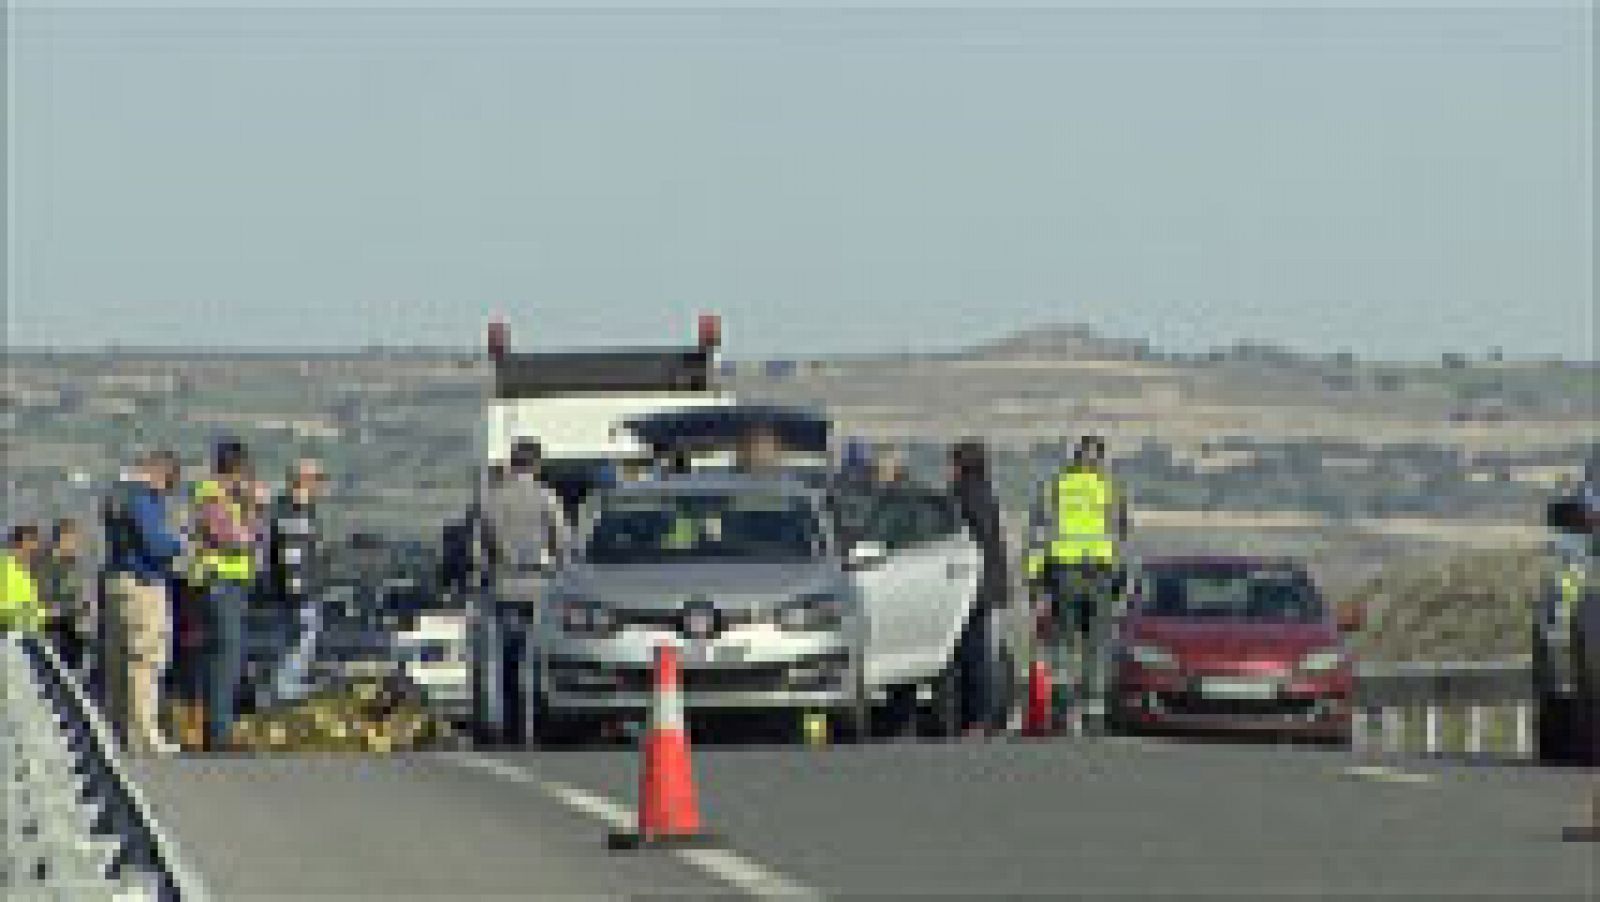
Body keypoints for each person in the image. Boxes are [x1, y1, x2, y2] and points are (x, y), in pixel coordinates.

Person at [1024, 434, 1130, 732]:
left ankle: (1061, 706)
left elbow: (1038, 535)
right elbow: (1121, 537)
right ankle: (1093, 712)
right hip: (1100, 574)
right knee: (1097, 643)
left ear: (1075, 457)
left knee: (1064, 641)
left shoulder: (1055, 487)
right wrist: (1121, 579)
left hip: (1064, 573)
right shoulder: (1111, 489)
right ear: (1101, 458)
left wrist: (1034, 580)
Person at [102, 450, 186, 755]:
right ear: (161, 472)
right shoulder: (140, 497)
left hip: (116, 581)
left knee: (117, 660)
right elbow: (155, 542)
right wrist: (180, 542)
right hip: (142, 583)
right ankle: (144, 735)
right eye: (169, 484)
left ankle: (117, 732)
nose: (167, 492)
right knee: (145, 659)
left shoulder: (116, 494)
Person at [189, 439, 261, 751]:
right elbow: (234, 539)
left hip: (233, 582)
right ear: (236, 469)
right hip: (220, 582)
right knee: (225, 659)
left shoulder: (227, 497)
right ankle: (219, 734)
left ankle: (219, 727)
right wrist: (250, 509)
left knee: (228, 659)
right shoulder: (213, 495)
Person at [949, 439, 1010, 737]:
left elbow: (978, 541)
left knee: (973, 654)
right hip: (984, 584)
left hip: (971, 586)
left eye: (953, 464)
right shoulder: (984, 494)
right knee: (977, 652)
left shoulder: (967, 495)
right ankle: (977, 717)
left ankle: (977, 718)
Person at [259, 458, 327, 709]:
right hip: (298, 594)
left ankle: (286, 687)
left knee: (298, 642)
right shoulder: (292, 514)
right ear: (303, 481)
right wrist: (297, 594)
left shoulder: (302, 512)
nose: (322, 485)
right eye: (318, 479)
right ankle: (286, 690)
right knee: (297, 642)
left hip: (301, 592)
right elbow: (291, 556)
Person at [38, 518, 91, 672]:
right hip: (56, 630)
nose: (77, 545)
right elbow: (46, 598)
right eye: (73, 540)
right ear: (62, 538)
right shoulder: (48, 566)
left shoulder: (72, 565)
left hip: (74, 630)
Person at [1, 524, 45, 633]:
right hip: (11, 633)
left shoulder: (27, 571)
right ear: (19, 544)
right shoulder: (5, 567)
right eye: (32, 542)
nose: (35, 548)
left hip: (31, 632)